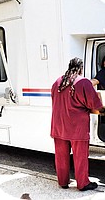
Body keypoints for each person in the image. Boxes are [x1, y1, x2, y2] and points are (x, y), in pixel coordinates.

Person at [51, 57, 104, 191]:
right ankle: (83, 184)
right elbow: (94, 104)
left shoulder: (57, 82)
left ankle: (63, 182)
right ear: (80, 68)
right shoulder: (83, 82)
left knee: (61, 156)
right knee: (80, 156)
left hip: (59, 125)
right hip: (76, 127)